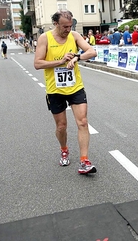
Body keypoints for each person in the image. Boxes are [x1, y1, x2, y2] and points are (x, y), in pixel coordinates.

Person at [33, 10, 97, 174]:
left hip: (75, 87)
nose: (68, 29)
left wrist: (76, 57)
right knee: (61, 126)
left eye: (70, 26)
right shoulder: (44, 38)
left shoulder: (74, 35)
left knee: (82, 121)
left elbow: (92, 51)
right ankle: (64, 149)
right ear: (55, 24)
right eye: (65, 27)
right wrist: (60, 61)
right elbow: (37, 64)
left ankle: (84, 161)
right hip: (55, 89)